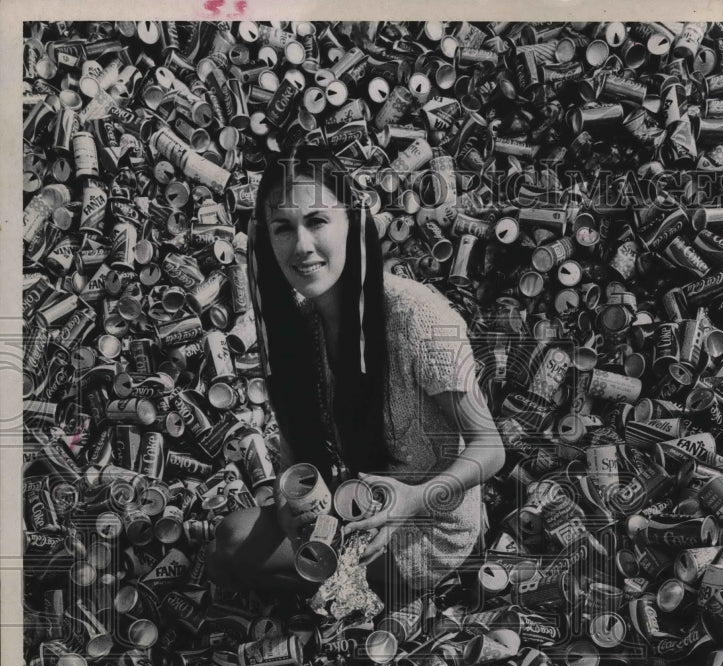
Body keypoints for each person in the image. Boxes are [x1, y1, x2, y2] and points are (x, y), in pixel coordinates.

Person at [206, 145, 505, 607]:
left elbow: (491, 448)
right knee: (227, 545)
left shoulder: (416, 315)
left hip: (427, 522)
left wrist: (414, 499)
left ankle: (374, 593)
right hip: (357, 500)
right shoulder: (297, 329)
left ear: (352, 223)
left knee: (230, 552)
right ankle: (335, 584)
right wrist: (287, 507)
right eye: (283, 228)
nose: (301, 246)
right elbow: (297, 449)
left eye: (317, 221)